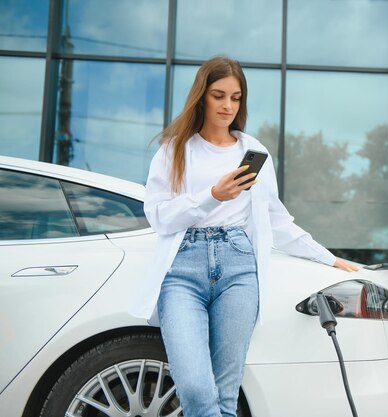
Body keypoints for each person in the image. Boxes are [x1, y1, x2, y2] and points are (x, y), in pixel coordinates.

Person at [129, 56, 357, 417]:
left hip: (238, 268)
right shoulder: (174, 150)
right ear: (201, 96)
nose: (227, 106)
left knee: (225, 394)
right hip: (183, 270)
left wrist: (328, 257)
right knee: (194, 387)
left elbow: (277, 221)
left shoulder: (252, 152)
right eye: (219, 96)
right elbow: (158, 216)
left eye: (235, 98)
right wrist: (211, 197)